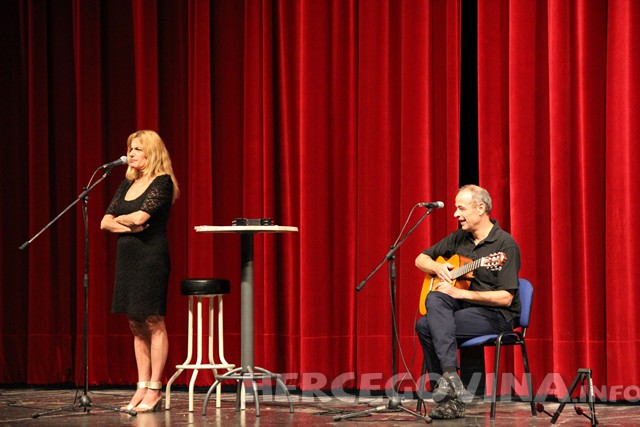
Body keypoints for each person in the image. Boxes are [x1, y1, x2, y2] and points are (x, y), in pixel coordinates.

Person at [414, 184, 521, 420]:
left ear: (480, 208)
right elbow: (420, 259)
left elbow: (506, 298)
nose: (455, 214)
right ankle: (451, 379)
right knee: (432, 302)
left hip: (495, 316)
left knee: (426, 325)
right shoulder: (460, 238)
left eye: (461, 208)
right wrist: (437, 268)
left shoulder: (504, 245)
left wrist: (460, 294)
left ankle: (448, 396)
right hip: (464, 311)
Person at [101, 130, 179, 413]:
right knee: (135, 323)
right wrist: (128, 226)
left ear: (151, 153)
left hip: (150, 257)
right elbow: (104, 222)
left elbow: (141, 217)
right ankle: (141, 386)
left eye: (137, 149)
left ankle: (155, 389)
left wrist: (124, 221)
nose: (130, 154)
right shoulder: (126, 184)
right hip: (127, 258)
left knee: (153, 320)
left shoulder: (162, 182)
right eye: (130, 148)